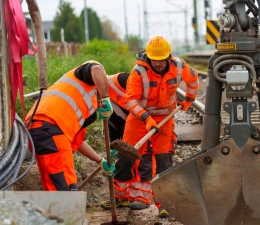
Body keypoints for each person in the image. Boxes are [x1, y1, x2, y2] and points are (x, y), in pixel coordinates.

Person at [112, 35, 199, 218]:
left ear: (169, 57)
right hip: (139, 118)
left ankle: (164, 203)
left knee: (163, 159)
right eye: (154, 60)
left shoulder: (180, 67)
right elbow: (131, 101)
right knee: (127, 156)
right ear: (149, 58)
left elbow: (193, 80)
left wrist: (189, 100)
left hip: (165, 117)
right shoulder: (138, 72)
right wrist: (146, 118)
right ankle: (120, 196)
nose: (157, 64)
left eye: (161, 60)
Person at [24, 61, 116, 191]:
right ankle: (68, 209)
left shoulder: (77, 102)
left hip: (36, 129)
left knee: (53, 188)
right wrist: (106, 98)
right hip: (50, 128)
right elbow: (96, 69)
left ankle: (58, 210)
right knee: (66, 187)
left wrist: (100, 161)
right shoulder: (85, 78)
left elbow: (78, 142)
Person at [100, 72, 132, 209]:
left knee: (145, 164)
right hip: (128, 133)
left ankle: (144, 199)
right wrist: (114, 147)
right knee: (124, 161)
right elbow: (112, 125)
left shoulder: (120, 80)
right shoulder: (101, 102)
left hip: (146, 125)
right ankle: (122, 198)